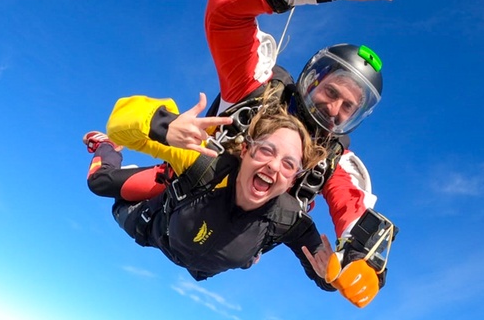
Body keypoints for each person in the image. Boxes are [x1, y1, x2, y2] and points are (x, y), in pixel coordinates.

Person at [86, 0, 405, 307]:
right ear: (312, 80)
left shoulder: (331, 159)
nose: (334, 109)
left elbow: (353, 211)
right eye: (331, 92)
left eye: (348, 107)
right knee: (102, 184)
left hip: (220, 241)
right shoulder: (254, 91)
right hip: (184, 189)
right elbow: (223, 10)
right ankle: (104, 148)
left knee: (302, 242)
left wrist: (361, 265)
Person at [84, 91, 337, 291]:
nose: (273, 165)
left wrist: (334, 277)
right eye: (266, 150)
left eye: (288, 164)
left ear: (292, 180)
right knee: (100, 182)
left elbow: (324, 272)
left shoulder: (288, 218)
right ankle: (106, 148)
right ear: (246, 151)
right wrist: (165, 126)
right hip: (153, 221)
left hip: (193, 251)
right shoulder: (202, 160)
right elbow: (119, 121)